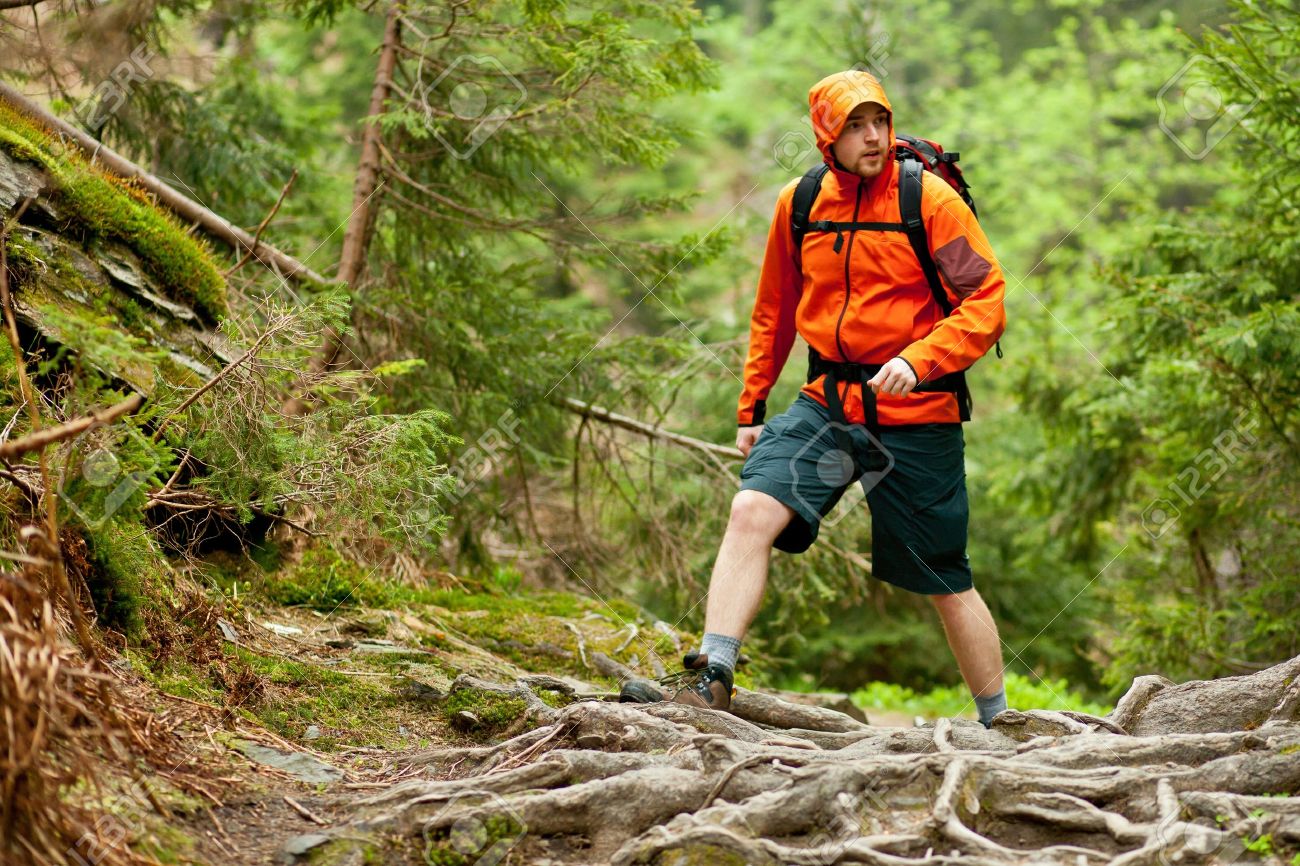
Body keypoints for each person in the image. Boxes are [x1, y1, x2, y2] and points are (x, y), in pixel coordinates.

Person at [621, 69, 1009, 728]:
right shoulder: (799, 204)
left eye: (879, 122)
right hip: (829, 408)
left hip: (915, 415)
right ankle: (713, 678)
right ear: (827, 136)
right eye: (856, 126)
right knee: (751, 510)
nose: (873, 137)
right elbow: (772, 310)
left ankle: (1001, 724)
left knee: (944, 577)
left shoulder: (931, 202)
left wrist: (919, 361)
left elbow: (988, 299)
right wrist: (752, 408)